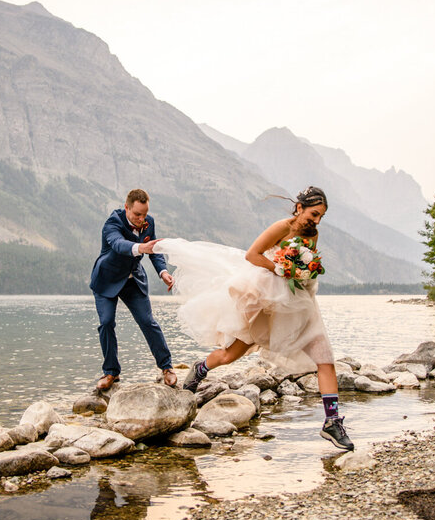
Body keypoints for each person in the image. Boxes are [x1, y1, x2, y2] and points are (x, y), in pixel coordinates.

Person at [154, 186, 355, 451]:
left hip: (301, 305)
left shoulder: (312, 235)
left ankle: (331, 422)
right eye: (314, 214)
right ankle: (200, 369)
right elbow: (252, 255)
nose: (316, 221)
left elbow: (306, 267)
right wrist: (281, 268)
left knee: (325, 359)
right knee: (230, 354)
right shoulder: (282, 227)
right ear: (299, 208)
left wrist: (303, 272)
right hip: (264, 301)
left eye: (321, 217)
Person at [89, 188, 177, 391]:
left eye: (144, 214)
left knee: (148, 321)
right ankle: (111, 371)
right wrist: (140, 248)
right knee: (106, 322)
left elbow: (154, 250)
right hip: (106, 280)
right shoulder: (112, 223)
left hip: (133, 280)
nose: (141, 219)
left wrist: (163, 272)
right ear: (126, 207)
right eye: (137, 214)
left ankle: (166, 367)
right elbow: (119, 245)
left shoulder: (149, 222)